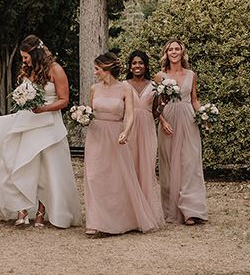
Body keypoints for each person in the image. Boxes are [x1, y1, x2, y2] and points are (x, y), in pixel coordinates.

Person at [0, 35, 82, 229]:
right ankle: (22, 208)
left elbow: (64, 100)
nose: (23, 61)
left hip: (49, 126)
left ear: (36, 53)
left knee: (49, 169)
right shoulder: (26, 71)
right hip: (27, 122)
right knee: (21, 164)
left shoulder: (56, 69)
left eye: (26, 57)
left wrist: (43, 108)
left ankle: (42, 211)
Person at [84, 53, 161, 237]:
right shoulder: (94, 88)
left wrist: (126, 131)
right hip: (95, 135)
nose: (95, 72)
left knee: (115, 178)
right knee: (94, 177)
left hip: (116, 135)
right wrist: (82, 117)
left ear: (107, 69)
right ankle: (95, 221)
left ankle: (118, 220)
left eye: (97, 69)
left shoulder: (124, 88)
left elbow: (131, 114)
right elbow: (90, 111)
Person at [155, 38, 208, 225]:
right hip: (169, 120)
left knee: (190, 162)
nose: (174, 52)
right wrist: (162, 121)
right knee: (170, 164)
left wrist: (203, 115)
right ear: (166, 53)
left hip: (187, 119)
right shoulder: (159, 76)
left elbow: (194, 99)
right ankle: (172, 209)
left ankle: (191, 210)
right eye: (171, 49)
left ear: (182, 52)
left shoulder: (191, 74)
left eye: (177, 49)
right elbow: (156, 105)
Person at [125, 50, 165, 226]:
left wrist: (163, 104)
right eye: (134, 63)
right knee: (130, 167)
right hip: (129, 129)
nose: (137, 66)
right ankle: (130, 213)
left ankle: (147, 212)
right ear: (130, 66)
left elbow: (156, 112)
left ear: (146, 66)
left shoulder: (155, 86)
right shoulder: (123, 85)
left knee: (147, 167)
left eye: (140, 63)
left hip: (148, 128)